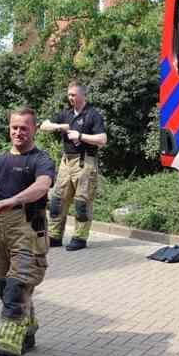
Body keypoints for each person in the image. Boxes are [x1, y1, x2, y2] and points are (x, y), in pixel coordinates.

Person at [0, 108, 57, 356]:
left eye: (24, 127)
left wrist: (13, 200)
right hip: (0, 232)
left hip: (27, 230)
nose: (18, 132)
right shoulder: (0, 160)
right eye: (14, 127)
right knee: (3, 285)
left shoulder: (41, 159)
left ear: (33, 129)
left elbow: (42, 186)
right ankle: (28, 328)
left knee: (16, 289)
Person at [40, 82, 107, 251]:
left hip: (85, 162)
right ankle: (55, 236)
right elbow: (43, 125)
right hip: (66, 162)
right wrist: (58, 126)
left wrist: (81, 136)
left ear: (83, 95)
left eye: (73, 95)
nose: (70, 98)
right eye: (69, 95)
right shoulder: (66, 114)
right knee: (57, 200)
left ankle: (80, 238)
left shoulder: (93, 115)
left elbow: (102, 140)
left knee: (81, 202)